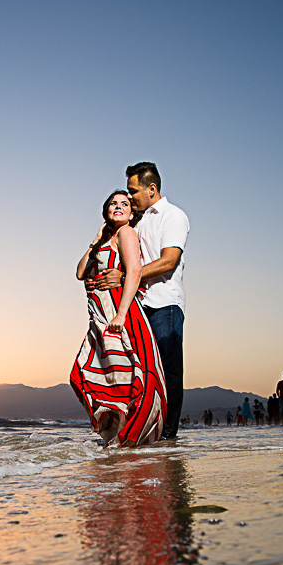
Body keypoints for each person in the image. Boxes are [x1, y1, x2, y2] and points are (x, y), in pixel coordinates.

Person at [85, 162, 189, 440]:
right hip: (137, 306)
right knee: (139, 371)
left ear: (151, 188)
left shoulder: (173, 216)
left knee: (168, 371)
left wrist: (127, 275)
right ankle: (140, 430)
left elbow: (169, 261)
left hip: (164, 303)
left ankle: (168, 436)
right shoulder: (136, 221)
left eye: (133, 191)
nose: (129, 198)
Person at [71, 191, 167, 445]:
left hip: (118, 312)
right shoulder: (104, 240)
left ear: (131, 212)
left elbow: (134, 271)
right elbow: (81, 272)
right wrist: (96, 238)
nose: (118, 206)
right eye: (113, 203)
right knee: (101, 373)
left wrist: (122, 313)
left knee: (125, 373)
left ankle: (128, 438)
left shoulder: (126, 233)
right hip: (98, 316)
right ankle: (116, 438)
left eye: (124, 203)